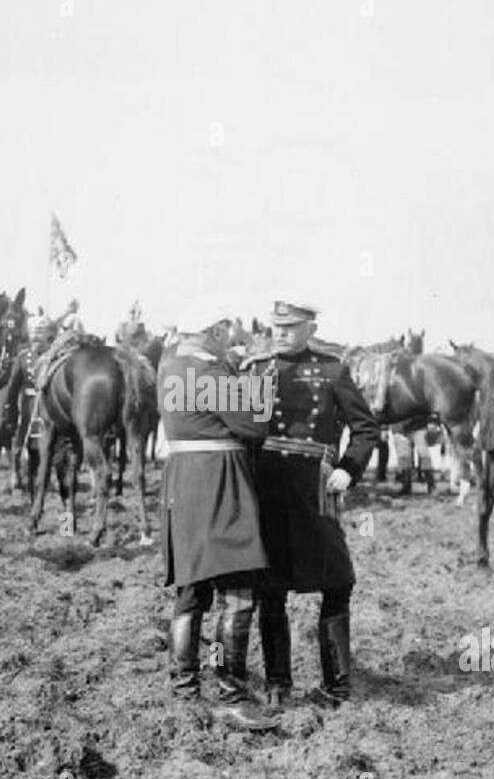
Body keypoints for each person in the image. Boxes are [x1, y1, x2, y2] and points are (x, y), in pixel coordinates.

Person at [244, 300, 381, 708]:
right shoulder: (255, 370)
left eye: (291, 326)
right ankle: (277, 684)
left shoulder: (333, 369)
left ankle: (337, 685)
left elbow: (365, 428)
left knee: (338, 581)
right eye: (277, 326)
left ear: (311, 328)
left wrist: (349, 469)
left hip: (316, 487)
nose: (281, 332)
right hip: (267, 486)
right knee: (270, 589)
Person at [159, 310, 276, 730]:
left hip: (183, 487)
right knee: (239, 594)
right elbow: (256, 425)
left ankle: (184, 690)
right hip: (219, 486)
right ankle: (231, 695)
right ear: (212, 331)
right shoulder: (211, 373)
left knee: (190, 593)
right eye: (224, 332)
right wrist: (259, 370)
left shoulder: (170, 364)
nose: (228, 339)